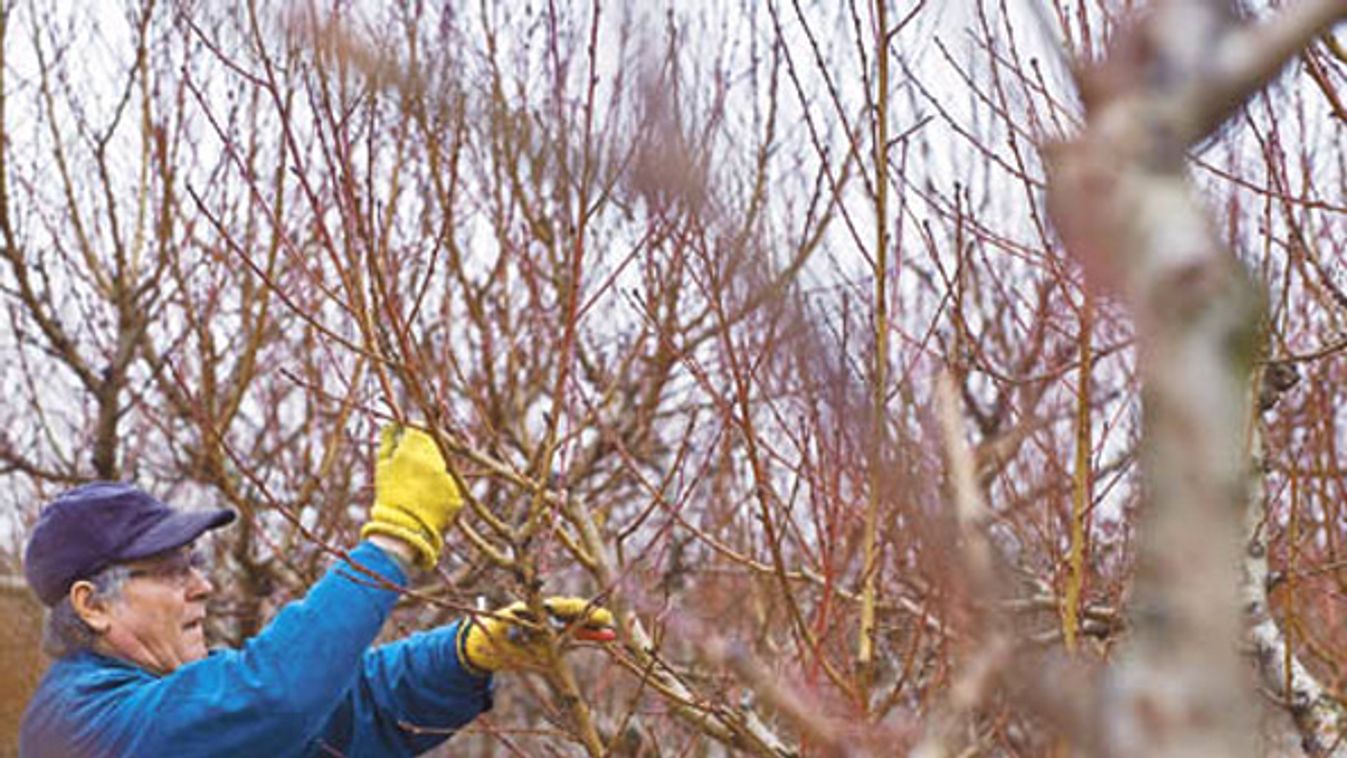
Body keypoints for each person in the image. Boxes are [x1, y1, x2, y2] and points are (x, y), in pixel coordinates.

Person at [18, 426, 614, 757]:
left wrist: (463, 655)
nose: (202, 585)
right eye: (171, 570)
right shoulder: (81, 727)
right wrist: (393, 542)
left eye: (193, 563)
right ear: (91, 605)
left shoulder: (162, 703)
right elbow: (274, 696)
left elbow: (351, 708)